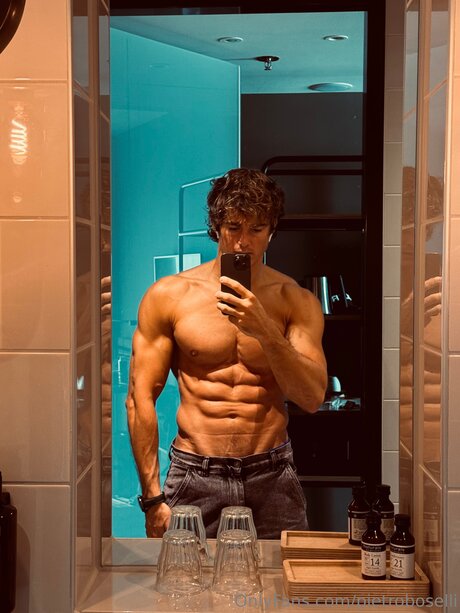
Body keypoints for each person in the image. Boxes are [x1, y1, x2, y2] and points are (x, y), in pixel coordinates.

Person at [126, 168, 328, 539]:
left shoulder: (294, 301)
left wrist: (265, 330)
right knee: (183, 576)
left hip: (272, 474)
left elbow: (311, 397)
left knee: (278, 578)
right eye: (233, 227)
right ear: (216, 227)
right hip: (195, 474)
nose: (242, 242)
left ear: (272, 231)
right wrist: (152, 497)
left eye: (257, 229)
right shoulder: (171, 296)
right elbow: (140, 399)